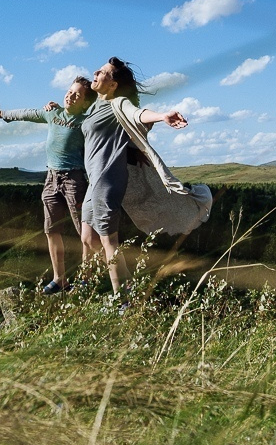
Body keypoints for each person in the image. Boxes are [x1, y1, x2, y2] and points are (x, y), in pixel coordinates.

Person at [82, 57, 211, 302]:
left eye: (104, 72)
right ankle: (127, 284)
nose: (96, 72)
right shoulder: (95, 107)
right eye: (98, 69)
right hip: (94, 182)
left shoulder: (117, 103)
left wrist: (162, 116)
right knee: (88, 238)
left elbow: (137, 113)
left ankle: (124, 300)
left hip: (106, 182)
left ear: (113, 85)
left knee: (109, 243)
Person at [0, 76, 96, 294]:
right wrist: (2, 114)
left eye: (77, 95)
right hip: (51, 179)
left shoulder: (87, 121)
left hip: (75, 180)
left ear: (85, 102)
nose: (70, 96)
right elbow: (28, 113)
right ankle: (59, 279)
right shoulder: (52, 112)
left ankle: (85, 281)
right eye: (70, 92)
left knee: (85, 234)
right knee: (51, 230)